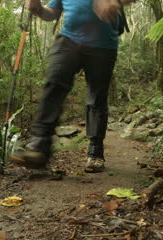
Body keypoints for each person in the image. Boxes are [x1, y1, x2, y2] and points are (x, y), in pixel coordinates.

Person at [11, 0, 135, 172]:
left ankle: (95, 152)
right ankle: (39, 147)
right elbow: (52, 13)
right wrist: (38, 9)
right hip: (69, 39)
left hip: (103, 46)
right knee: (54, 84)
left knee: (97, 97)